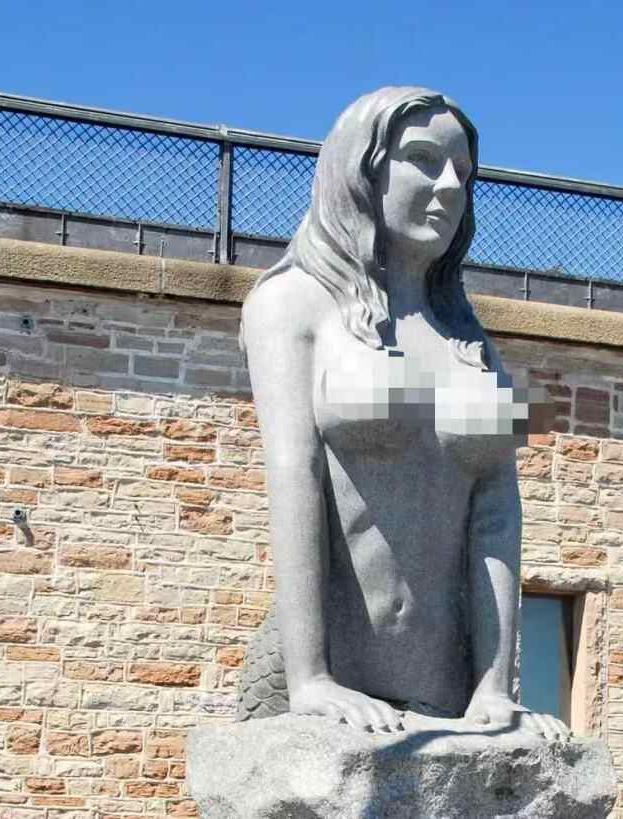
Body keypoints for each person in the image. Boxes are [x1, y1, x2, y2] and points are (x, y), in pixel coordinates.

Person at [237, 86, 568, 741]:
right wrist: (310, 681)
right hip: (319, 683)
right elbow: (294, 476)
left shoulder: (474, 342)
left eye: (463, 173)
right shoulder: (290, 303)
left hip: (450, 692)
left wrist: (494, 689)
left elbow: (498, 515)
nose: (449, 186)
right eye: (423, 160)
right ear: (360, 168)